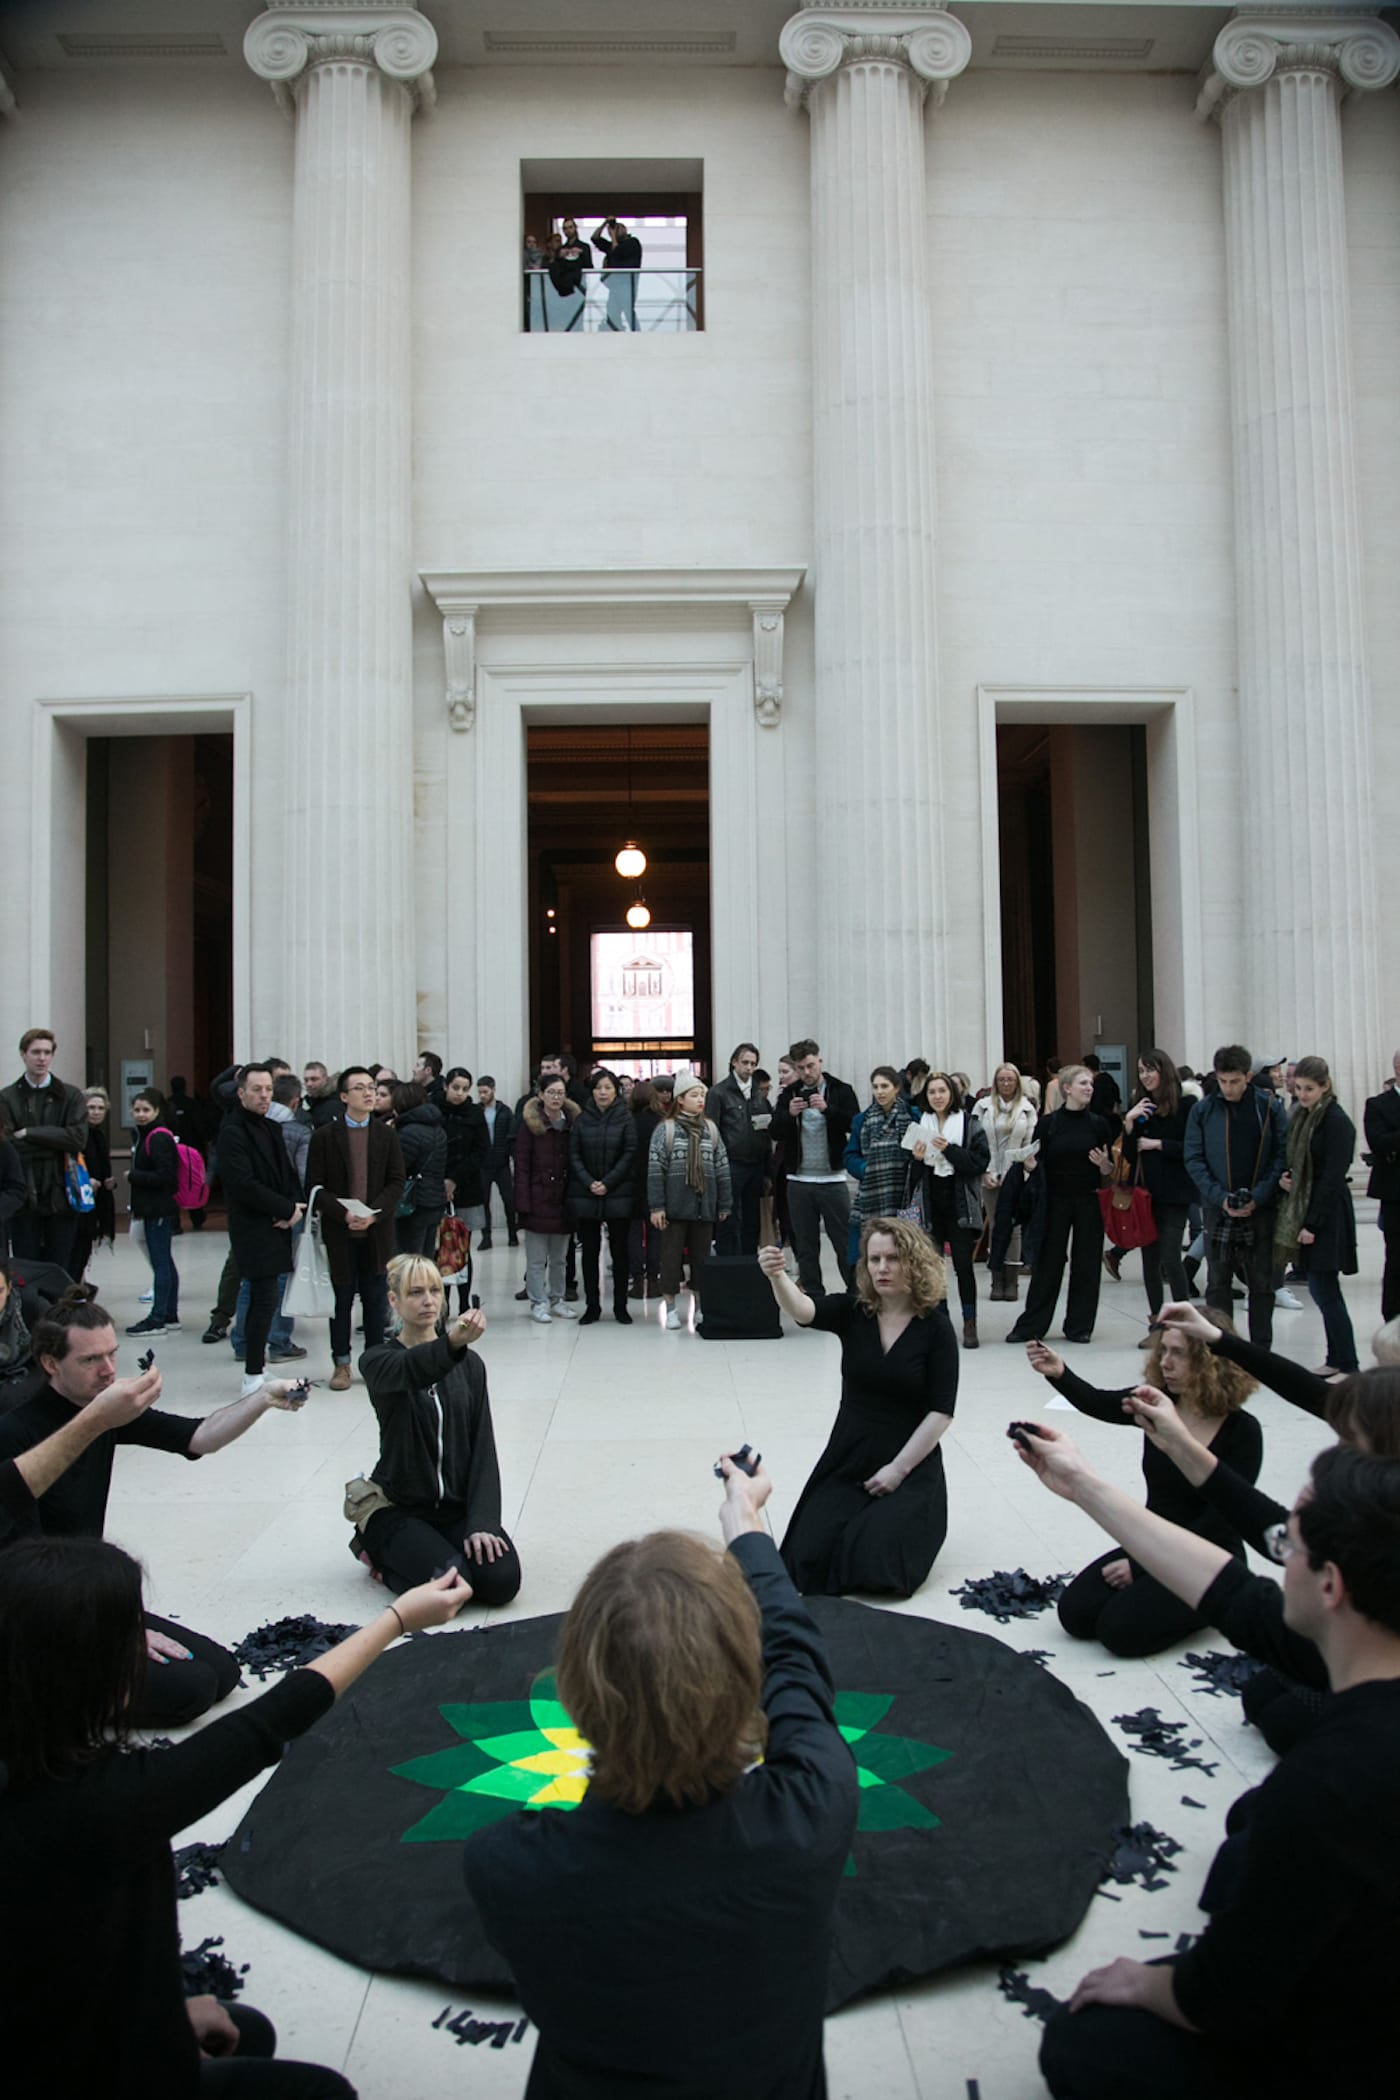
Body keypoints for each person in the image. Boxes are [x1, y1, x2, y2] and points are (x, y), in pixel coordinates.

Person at [0, 1533, 470, 2099]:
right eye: (131, 1636)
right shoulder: (105, 1805)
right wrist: (396, 1619)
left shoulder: (35, 1771)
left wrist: (165, 2010)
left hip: (60, 2017)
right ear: (92, 1671)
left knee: (246, 2030)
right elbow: (268, 1724)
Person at [462, 1455, 859, 2100]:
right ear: (744, 1688)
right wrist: (747, 1528)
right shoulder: (811, 1815)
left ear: (575, 1693)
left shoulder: (508, 1865)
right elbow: (796, 1662)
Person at [1019, 1430, 1400, 2100]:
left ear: (1332, 1586)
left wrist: (1153, 1983)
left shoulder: (1328, 1781)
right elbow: (1231, 1595)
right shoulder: (1371, 1648)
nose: (1275, 1559)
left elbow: (1222, 1997)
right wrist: (1083, 1484)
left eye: (1288, 1547)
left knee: (1090, 2043)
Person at [0, 1297, 307, 1726]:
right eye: (90, 1359)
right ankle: (39, 1696)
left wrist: (263, 1399)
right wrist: (114, 1631)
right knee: (191, 1690)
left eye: (112, 1354)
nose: (109, 1370)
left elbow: (198, 1437)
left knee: (221, 1672)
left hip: (91, 1596)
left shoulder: (103, 1407)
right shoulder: (18, 1431)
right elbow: (23, 1571)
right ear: (51, 1364)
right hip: (41, 1617)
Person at [1023, 1324, 1262, 1656]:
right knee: (1076, 1614)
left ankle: (1214, 1605)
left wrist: (1141, 1567)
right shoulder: (1157, 1406)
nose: (1165, 1362)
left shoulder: (1243, 1431)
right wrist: (1059, 1373)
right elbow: (1098, 1402)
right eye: (1163, 1350)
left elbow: (1223, 1521)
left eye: (1178, 1353)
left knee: (1119, 1632)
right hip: (1152, 1540)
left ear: (1211, 1360)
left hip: (1209, 1559)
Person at [758, 1218, 958, 1596]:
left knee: (877, 1562)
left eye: (893, 1259)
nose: (882, 1268)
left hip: (909, 1459)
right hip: (851, 1451)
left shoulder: (935, 1328)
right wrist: (777, 1277)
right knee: (806, 1555)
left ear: (914, 1262)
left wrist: (898, 1471)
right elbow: (803, 1310)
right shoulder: (855, 1311)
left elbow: (941, 1411)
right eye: (874, 1259)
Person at [352, 1255, 521, 1602]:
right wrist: (452, 1344)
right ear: (393, 1300)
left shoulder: (470, 1364)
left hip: (454, 1507)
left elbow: (482, 1444)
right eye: (415, 1292)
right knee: (453, 1587)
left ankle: (436, 1551)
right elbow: (415, 1368)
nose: (428, 1300)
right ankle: (375, 1550)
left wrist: (483, 1522)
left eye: (435, 1291)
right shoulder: (378, 1361)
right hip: (398, 1506)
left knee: (502, 1581)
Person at [306, 1067, 407, 1392]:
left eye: (372, 1087)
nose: (369, 1093)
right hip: (341, 1233)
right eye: (360, 1088)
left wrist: (374, 1214)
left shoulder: (386, 1134)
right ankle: (342, 1363)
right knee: (342, 1301)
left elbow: (396, 1182)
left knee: (377, 1300)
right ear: (344, 1096)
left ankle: (375, 1362)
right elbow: (315, 1187)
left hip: (377, 1233)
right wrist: (343, 1213)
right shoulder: (324, 1136)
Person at [1184, 1043, 1289, 1348]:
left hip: (1261, 1207)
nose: (1228, 1088)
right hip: (1219, 1208)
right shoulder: (1203, 1110)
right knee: (1218, 1282)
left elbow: (1281, 1154)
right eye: (1222, 1081)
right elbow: (1194, 1158)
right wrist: (1220, 1198)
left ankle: (1261, 1350)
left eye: (1235, 1081)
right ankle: (1223, 1349)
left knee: (1262, 1282)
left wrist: (1260, 1194)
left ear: (1248, 1076)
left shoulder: (1268, 1108)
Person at [1006, 1064, 1114, 1345]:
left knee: (1087, 1264)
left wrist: (1104, 1166)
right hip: (1054, 1200)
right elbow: (1037, 1161)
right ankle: (1032, 1325)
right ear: (1067, 1088)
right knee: (1048, 1262)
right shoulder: (1049, 1123)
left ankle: (1079, 1326)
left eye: (1090, 1084)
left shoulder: (1098, 1124)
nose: (1089, 1088)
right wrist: (1030, 1166)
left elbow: (1109, 1172)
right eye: (1082, 1084)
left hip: (1089, 1200)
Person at [215, 1063, 305, 1397]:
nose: (264, 1095)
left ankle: (258, 1367)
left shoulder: (272, 1128)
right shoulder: (232, 1131)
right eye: (257, 1089)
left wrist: (291, 1209)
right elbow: (242, 1184)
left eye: (268, 1089)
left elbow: (286, 1175)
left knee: (269, 1298)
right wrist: (283, 1209)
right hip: (253, 1225)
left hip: (278, 1222)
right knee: (258, 1296)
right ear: (241, 1093)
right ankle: (251, 1373)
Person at [1275, 1054, 1360, 1377]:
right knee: (1322, 1289)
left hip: (1326, 1215)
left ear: (1325, 1086)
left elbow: (1331, 1178)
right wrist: (1288, 1178)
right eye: (1299, 1088)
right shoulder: (1306, 1118)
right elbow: (1301, 1163)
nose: (1303, 1095)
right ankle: (1338, 1358)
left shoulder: (1336, 1122)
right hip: (1310, 1209)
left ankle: (1346, 1361)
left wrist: (1312, 1223)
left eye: (1309, 1089)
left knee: (1325, 1289)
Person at [905, 1070, 990, 1349]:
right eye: (932, 1092)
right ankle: (941, 1322)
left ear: (952, 1093)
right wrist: (918, 1160)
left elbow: (979, 1163)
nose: (937, 1096)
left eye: (942, 1091)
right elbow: (913, 1176)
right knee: (934, 1267)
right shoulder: (921, 1124)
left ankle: (970, 1322)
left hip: (960, 1205)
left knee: (964, 1266)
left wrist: (950, 1150)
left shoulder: (969, 1124)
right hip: (931, 1206)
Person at [771, 1039, 859, 1297]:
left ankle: (855, 1295)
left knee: (844, 1241)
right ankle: (813, 1297)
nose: (807, 1073)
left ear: (820, 1061)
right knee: (805, 1245)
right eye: (801, 1068)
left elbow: (854, 1125)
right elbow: (775, 1131)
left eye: (810, 1065)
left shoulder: (841, 1089)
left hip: (832, 1179)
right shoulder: (789, 1094)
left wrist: (828, 1109)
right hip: (798, 1180)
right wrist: (788, 1114)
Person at [647, 1069, 732, 1331]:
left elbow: (722, 1168)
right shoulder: (666, 1130)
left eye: (702, 1095)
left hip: (704, 1206)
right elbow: (655, 1170)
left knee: (702, 1259)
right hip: (674, 1207)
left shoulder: (711, 1129)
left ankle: (700, 1307)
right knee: (670, 1259)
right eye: (694, 1095)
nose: (700, 1100)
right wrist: (657, 1206)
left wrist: (724, 1202)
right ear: (680, 1099)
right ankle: (671, 1308)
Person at [1117, 1049, 1195, 1330]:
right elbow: (1128, 1155)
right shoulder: (1142, 1106)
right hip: (1145, 1194)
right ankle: (1157, 1324)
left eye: (1150, 1069)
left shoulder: (1186, 1105)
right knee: (1149, 1259)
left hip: (1175, 1193)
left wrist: (1158, 1144)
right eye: (1141, 1071)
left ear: (1164, 1070)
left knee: (1171, 1255)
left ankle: (1186, 1321)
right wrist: (1129, 1122)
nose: (1145, 1076)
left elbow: (1192, 1148)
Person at [0, 1027, 89, 1273]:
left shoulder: (70, 1096)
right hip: (23, 1197)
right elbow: (8, 1147)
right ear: (23, 1054)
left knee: (59, 1269)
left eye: (47, 1052)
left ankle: (57, 1312)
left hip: (61, 1194)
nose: (42, 1058)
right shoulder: (6, 1098)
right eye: (36, 1052)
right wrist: (55, 1142)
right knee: (25, 1269)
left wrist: (30, 1133)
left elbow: (78, 1139)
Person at [568, 1067, 637, 1325]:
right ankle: (592, 1306)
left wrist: (607, 1183)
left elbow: (630, 1152)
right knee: (589, 1253)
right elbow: (573, 1153)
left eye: (608, 1088)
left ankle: (621, 1306)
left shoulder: (625, 1118)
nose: (603, 1092)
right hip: (586, 1193)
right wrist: (590, 1182)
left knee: (620, 1253)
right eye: (598, 1088)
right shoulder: (582, 1118)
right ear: (592, 1091)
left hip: (618, 1192)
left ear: (615, 1091)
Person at [515, 1074, 581, 1324]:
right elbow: (521, 1166)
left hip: (564, 1199)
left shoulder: (572, 1123)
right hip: (537, 1198)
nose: (556, 1097)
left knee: (560, 1258)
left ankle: (558, 1298)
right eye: (551, 1092)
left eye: (560, 1093)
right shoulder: (530, 1125)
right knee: (536, 1259)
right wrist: (522, 1202)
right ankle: (538, 1301)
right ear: (540, 1095)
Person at [973, 1063, 1038, 1304]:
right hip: (989, 1173)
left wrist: (1022, 1172)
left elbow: (1031, 1142)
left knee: (1014, 1227)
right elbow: (976, 1141)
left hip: (1016, 1174)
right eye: (1002, 1079)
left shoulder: (1027, 1108)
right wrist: (983, 1172)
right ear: (995, 1082)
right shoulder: (982, 1107)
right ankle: (996, 1278)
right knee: (996, 1225)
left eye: (1010, 1079)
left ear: (1017, 1082)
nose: (1006, 1084)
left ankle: (1012, 1281)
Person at [126, 1087, 181, 1339]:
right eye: (136, 1109)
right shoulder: (145, 1135)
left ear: (157, 1111)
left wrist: (135, 1177)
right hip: (153, 1208)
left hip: (157, 1208)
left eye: (146, 1110)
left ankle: (159, 1316)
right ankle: (168, 1315)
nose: (140, 1114)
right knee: (164, 1261)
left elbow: (166, 1175)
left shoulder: (157, 1137)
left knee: (160, 1262)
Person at [706, 1042, 770, 1255]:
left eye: (753, 1063)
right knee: (729, 1218)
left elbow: (766, 1131)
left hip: (756, 1164)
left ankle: (750, 1264)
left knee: (752, 1219)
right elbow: (711, 1131)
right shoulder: (718, 1093)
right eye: (745, 1062)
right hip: (731, 1163)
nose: (749, 1068)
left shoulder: (758, 1094)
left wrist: (767, 1169)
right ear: (734, 1062)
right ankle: (728, 1264)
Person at [439, 1067, 489, 1302]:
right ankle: (442, 1301)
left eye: (465, 1089)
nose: (459, 1093)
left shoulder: (474, 1114)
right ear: (446, 1087)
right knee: (439, 1250)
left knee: (461, 1248)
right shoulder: (434, 1110)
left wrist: (455, 1179)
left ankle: (463, 1300)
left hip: (466, 1186)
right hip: (436, 1187)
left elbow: (481, 1152)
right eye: (455, 1087)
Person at [853, 1066, 913, 1254]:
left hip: (904, 1193)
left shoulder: (912, 1115)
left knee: (905, 1250)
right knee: (873, 1249)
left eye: (884, 1086)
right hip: (873, 1192)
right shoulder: (862, 1120)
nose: (879, 1091)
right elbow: (850, 1155)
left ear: (896, 1088)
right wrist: (866, 1169)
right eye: (875, 1087)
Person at [391, 1080, 449, 1259]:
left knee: (410, 1258)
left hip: (414, 1203)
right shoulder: (438, 1128)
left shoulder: (407, 1132)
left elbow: (398, 1167)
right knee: (427, 1255)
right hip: (435, 1200)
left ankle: (413, 1288)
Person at [1363, 1049, 1400, 1323]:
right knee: (1397, 1259)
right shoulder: (1378, 1104)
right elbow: (1380, 1142)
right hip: (1395, 1193)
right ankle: (1394, 1318)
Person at [66, 1087, 117, 1277]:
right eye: (91, 1107)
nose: (96, 1112)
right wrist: (87, 1181)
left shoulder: (99, 1135)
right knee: (75, 1250)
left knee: (84, 1249)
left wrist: (107, 1181)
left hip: (95, 1201)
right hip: (78, 1202)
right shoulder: (78, 1134)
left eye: (100, 1108)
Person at [626, 1078, 664, 1296]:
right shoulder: (661, 1121)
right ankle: (654, 1278)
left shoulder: (627, 1120)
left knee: (633, 1233)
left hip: (631, 1182)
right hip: (656, 1182)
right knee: (656, 1232)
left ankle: (637, 1279)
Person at [475, 1075, 517, 1250]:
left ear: (493, 1089)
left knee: (509, 1200)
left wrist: (510, 1155)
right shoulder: (476, 1111)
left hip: (501, 1163)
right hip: (483, 1164)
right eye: (480, 1092)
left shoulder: (505, 1111)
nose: (482, 1095)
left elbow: (511, 1136)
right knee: (483, 1202)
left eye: (485, 1091)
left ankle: (512, 1234)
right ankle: (486, 1236)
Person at [591, 214, 642, 330]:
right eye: (615, 228)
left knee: (628, 310)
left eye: (619, 227)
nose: (616, 230)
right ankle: (616, 331)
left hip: (627, 284)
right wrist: (605, 224)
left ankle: (637, 333)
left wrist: (613, 236)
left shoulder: (633, 243)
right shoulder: (612, 245)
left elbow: (617, 253)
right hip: (615, 286)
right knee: (612, 312)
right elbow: (595, 238)